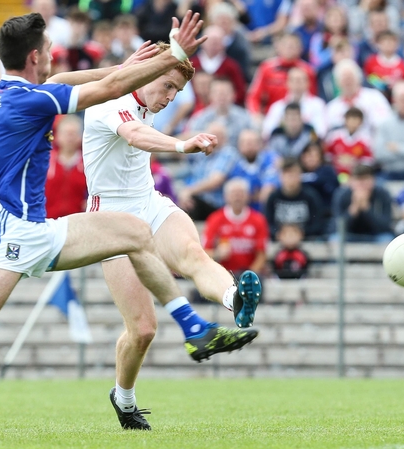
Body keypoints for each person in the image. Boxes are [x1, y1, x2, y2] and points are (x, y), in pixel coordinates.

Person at [0, 11, 259, 439]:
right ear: (36, 57)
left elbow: (84, 78)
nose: (57, 56)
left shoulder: (8, 91)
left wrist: (132, 66)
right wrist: (175, 56)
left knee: (133, 232)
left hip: (37, 227)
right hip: (13, 229)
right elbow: (107, 89)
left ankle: (195, 328)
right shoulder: (32, 99)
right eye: (51, 50)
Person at [80, 42, 262, 428]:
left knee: (194, 255)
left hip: (149, 202)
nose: (169, 98)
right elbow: (135, 135)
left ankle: (236, 300)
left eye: (176, 93)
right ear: (145, 74)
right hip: (109, 220)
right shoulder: (108, 102)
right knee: (143, 330)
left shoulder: (145, 101)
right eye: (166, 86)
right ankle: (123, 399)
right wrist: (183, 144)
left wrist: (176, 45)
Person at [202, 178, 268, 275]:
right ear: (226, 196)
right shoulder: (215, 219)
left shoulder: (258, 220)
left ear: (248, 196)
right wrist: (217, 254)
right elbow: (205, 252)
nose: (237, 197)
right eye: (233, 193)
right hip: (222, 274)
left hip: (249, 274)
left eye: (241, 193)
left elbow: (261, 255)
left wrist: (249, 276)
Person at [246, 33, 317, 120]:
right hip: (271, 117)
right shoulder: (266, 68)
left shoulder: (307, 71)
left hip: (300, 118)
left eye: (294, 46)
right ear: (279, 47)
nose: (290, 49)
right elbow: (253, 96)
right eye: (286, 45)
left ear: (300, 49)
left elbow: (312, 98)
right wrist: (256, 114)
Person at [264, 157, 325, 241]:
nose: (290, 177)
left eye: (294, 173)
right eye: (287, 173)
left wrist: (301, 233)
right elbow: (267, 223)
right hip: (279, 241)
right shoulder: (273, 197)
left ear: (300, 175)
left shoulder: (311, 196)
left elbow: (318, 223)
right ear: (281, 176)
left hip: (306, 241)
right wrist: (279, 233)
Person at [184, 77, 255, 149]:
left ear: (234, 94)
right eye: (217, 93)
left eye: (225, 93)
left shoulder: (245, 118)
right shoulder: (199, 119)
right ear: (210, 94)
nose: (221, 97)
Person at [330, 164, 393, 243]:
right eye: (358, 180)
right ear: (351, 182)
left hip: (375, 235)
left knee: (386, 239)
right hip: (349, 235)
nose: (362, 185)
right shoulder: (341, 195)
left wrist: (366, 208)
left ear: (373, 180)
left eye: (365, 180)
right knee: (336, 239)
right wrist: (354, 208)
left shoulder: (382, 194)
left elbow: (385, 226)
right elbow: (338, 227)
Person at [260, 67, 327, 139]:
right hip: (283, 145)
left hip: (308, 145)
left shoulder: (318, 105)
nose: (297, 84)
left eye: (300, 80)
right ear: (287, 83)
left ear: (308, 83)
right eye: (294, 80)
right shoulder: (277, 107)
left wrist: (306, 142)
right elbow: (267, 131)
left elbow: (321, 131)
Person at [188, 25, 247, 105]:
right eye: (210, 41)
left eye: (217, 42)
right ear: (202, 42)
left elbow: (240, 92)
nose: (213, 45)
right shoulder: (192, 64)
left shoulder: (231, 66)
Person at [45, 116, 87, 218]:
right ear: (57, 136)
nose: (69, 137)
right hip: (48, 221)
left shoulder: (87, 163)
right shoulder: (46, 161)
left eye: (73, 133)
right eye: (66, 133)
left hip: (78, 222)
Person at [363, 30, 404, 97]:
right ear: (378, 44)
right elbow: (367, 78)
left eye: (391, 42)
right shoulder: (371, 61)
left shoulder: (402, 64)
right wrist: (380, 83)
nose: (388, 44)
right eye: (385, 42)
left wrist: (398, 83)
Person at [324, 107, 373, 178]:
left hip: (356, 176)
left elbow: (369, 161)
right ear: (345, 120)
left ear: (361, 122)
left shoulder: (366, 140)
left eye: (356, 119)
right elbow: (327, 156)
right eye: (350, 119)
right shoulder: (334, 136)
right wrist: (336, 160)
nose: (353, 122)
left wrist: (356, 162)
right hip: (335, 175)